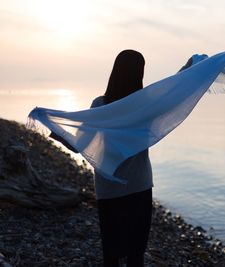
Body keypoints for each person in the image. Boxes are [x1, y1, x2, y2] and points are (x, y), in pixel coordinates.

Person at [50, 49, 193, 267]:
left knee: (112, 253)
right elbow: (172, 92)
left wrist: (55, 129)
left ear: (115, 71)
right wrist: (190, 70)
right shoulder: (145, 105)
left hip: (109, 190)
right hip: (139, 186)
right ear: (140, 73)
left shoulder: (101, 105)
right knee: (136, 254)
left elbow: (79, 146)